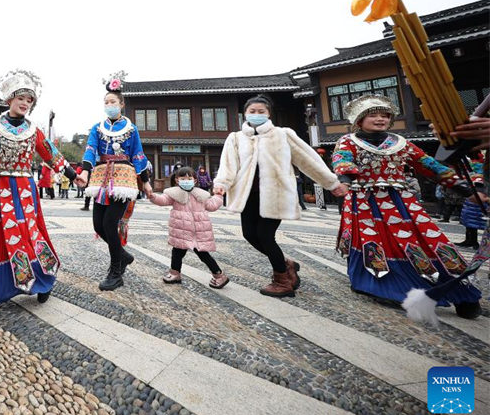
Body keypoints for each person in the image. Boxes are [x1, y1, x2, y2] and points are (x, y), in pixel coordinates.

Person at [332, 95, 481, 318]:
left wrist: (463, 187)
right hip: (363, 201)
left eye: (385, 115)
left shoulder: (401, 143)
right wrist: (343, 181)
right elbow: (342, 161)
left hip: (401, 201)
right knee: (372, 242)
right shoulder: (348, 141)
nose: (380, 119)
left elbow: (427, 164)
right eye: (373, 115)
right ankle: (378, 285)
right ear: (359, 120)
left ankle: (460, 291)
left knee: (428, 239)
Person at [0, 70, 75, 311]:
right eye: (21, 98)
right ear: (9, 99)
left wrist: (73, 175)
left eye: (30, 100)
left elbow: (52, 155)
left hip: (25, 191)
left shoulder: (33, 130)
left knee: (29, 233)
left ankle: (42, 281)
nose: (25, 103)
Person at [213, 95, 347, 297]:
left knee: (266, 236)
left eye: (261, 112)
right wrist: (221, 184)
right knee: (250, 234)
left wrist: (331, 183)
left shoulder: (283, 134)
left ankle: (282, 280)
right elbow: (228, 165)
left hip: (275, 194)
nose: (256, 115)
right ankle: (287, 264)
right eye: (252, 111)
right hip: (247, 195)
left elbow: (308, 160)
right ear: (245, 114)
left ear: (269, 114)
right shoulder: (235, 138)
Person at [74, 74, 152, 291]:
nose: (109, 105)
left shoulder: (131, 128)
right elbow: (90, 150)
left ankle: (115, 272)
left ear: (122, 104)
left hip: (123, 178)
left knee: (110, 223)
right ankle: (123, 256)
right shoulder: (97, 128)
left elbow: (138, 155)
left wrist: (145, 182)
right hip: (101, 177)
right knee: (98, 225)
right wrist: (85, 173)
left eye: (113, 102)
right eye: (106, 102)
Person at [147, 166, 229, 288]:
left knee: (203, 255)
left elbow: (212, 205)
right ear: (177, 180)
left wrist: (218, 196)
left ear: (195, 180)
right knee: (177, 252)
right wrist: (152, 196)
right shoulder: (173, 194)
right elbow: (162, 200)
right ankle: (175, 273)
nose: (186, 180)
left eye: (189, 178)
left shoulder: (201, 195)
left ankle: (219, 275)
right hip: (182, 231)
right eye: (183, 178)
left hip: (198, 231)